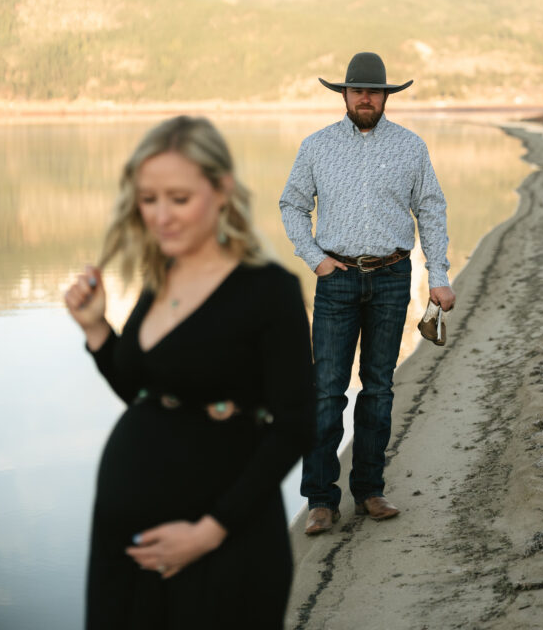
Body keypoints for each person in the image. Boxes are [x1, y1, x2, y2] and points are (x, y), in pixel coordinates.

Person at [65, 115, 314, 630]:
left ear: (221, 190)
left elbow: (295, 425)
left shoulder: (268, 290)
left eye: (179, 199)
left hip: (223, 544)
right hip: (123, 544)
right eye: (148, 199)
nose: (161, 217)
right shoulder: (160, 277)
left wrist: (208, 532)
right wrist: (97, 333)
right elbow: (147, 392)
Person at [279, 52, 454, 535]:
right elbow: (292, 204)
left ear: (386, 96)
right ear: (343, 94)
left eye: (373, 91)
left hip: (393, 277)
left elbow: (432, 211)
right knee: (326, 392)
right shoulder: (315, 147)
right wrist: (314, 258)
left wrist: (437, 275)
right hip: (335, 280)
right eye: (357, 90)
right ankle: (320, 500)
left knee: (378, 389)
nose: (365, 98)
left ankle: (370, 491)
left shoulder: (411, 148)